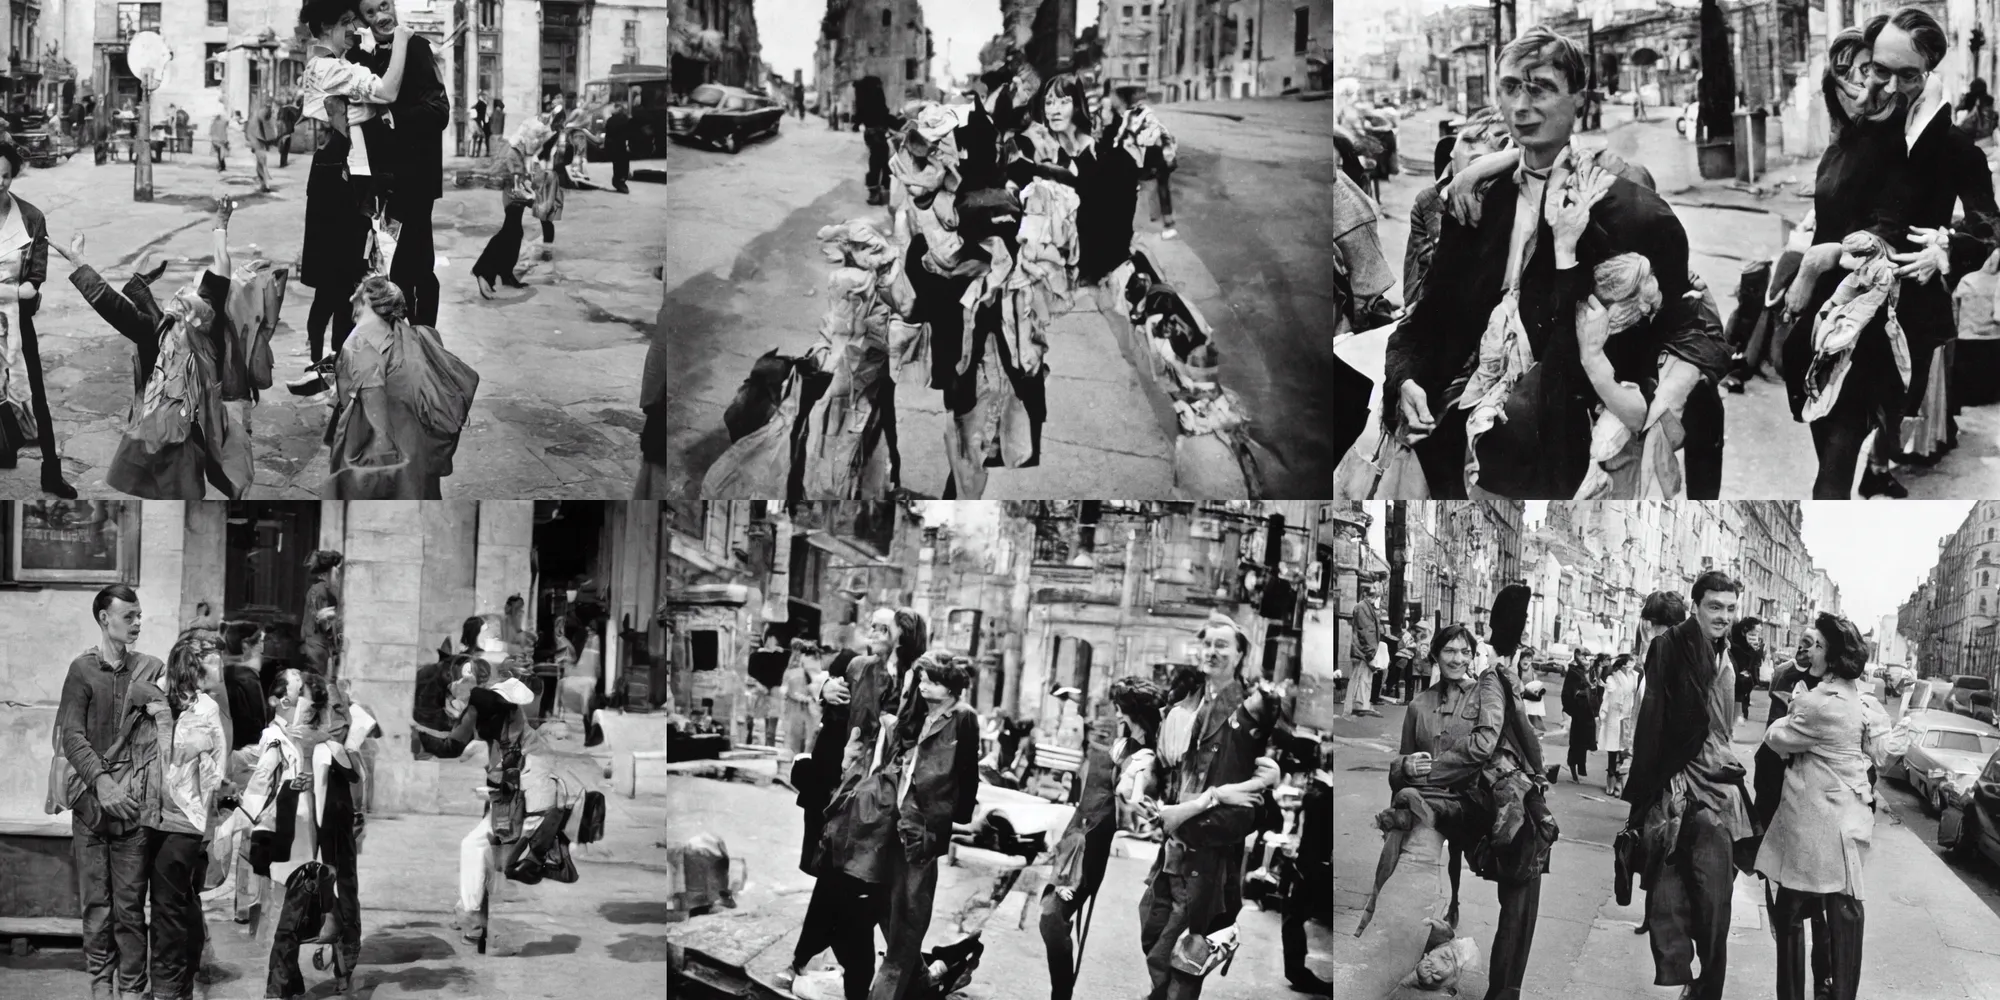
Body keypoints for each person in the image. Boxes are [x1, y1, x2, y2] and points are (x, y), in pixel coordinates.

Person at [1385, 25, 1728, 499]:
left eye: (1540, 87)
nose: (1522, 106)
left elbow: (1686, 339)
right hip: (1459, 432)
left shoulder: (1636, 216)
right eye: (1509, 88)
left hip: (1569, 448)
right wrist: (1405, 380)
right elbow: (1426, 320)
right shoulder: (1476, 206)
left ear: (1579, 101)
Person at [1783, 13, 1999, 498]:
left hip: (1894, 326)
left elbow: (1989, 225)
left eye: (1909, 75)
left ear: (1928, 73)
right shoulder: (1855, 138)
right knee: (1830, 456)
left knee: (1836, 462)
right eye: (1881, 70)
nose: (1890, 85)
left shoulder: (1947, 145)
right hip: (1827, 316)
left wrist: (1947, 248)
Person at [1389, 623, 1553, 1000]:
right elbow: (1399, 769)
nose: (1458, 659)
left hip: (1482, 804)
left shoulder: (1485, 693)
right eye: (1449, 651)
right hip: (1438, 806)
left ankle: (1505, 989)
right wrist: (1407, 767)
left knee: (1526, 864)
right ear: (1435, 654)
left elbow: (1504, 742)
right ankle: (1417, 967)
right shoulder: (1418, 706)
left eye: (1465, 652)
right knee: (1415, 877)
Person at [1138, 613, 1289, 1000]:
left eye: (1222, 645)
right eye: (1207, 645)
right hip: (1172, 849)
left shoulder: (1253, 707)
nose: (1212, 652)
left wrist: (1268, 775)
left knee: (1183, 958)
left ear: (1240, 654)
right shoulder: (1188, 702)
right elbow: (1168, 766)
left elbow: (1275, 761)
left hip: (1210, 856)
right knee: (1153, 933)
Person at [1623, 571, 1757, 1000]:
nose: (1723, 616)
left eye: (1731, 608)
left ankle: (1706, 989)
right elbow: (1652, 720)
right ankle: (1689, 977)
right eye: (1715, 606)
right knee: (1671, 892)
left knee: (1716, 899)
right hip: (1681, 785)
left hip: (1721, 787)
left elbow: (1725, 725)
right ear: (1696, 605)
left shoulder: (1727, 652)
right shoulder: (1668, 646)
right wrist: (1645, 793)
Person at [61, 198, 248, 498]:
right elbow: (113, 308)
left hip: (185, 438)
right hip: (150, 434)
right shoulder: (161, 329)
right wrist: (80, 265)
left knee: (180, 493)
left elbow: (221, 265)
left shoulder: (208, 336)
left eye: (195, 285)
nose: (188, 286)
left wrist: (221, 223)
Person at [1756, 613, 1901, 1000]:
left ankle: (1792, 994)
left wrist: (1792, 707)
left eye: (1818, 645)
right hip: (1849, 820)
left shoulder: (1819, 703)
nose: (1810, 650)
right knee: (1845, 910)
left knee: (1789, 910)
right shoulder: (1861, 698)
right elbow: (1881, 753)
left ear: (1833, 656)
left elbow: (1776, 738)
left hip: (1813, 822)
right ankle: (1839, 993)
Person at [292, 0, 415, 389]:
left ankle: (332, 363)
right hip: (337, 180)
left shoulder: (335, 66)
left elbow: (368, 105)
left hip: (347, 177)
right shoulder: (327, 67)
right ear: (327, 26)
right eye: (347, 22)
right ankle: (321, 363)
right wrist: (403, 41)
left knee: (345, 279)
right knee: (335, 280)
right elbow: (389, 89)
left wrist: (370, 109)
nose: (354, 29)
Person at [57, 584, 164, 1000]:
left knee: (131, 908)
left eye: (139, 616)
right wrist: (103, 784)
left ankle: (133, 990)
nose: (137, 623)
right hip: (90, 805)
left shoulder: (151, 669)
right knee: (96, 906)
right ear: (105, 618)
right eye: (129, 616)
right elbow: (72, 736)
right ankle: (102, 986)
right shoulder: (82, 671)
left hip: (133, 807)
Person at [240, 668, 369, 996]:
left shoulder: (328, 695)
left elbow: (348, 753)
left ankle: (338, 968)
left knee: (338, 892)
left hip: (332, 812)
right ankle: (294, 980)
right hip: (301, 824)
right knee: (299, 905)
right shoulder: (288, 715)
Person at [1041, 676, 1163, 1000]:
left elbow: (1134, 800)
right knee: (1050, 919)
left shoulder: (1146, 757)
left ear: (1134, 713)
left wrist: (1138, 793)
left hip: (1091, 847)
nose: (1117, 716)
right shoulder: (1121, 745)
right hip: (1074, 837)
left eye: (1121, 710)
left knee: (1052, 918)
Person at [867, 653, 981, 1000]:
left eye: (930, 680)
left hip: (925, 826)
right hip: (895, 819)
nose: (922, 684)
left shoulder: (963, 718)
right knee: (882, 904)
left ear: (950, 686)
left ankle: (893, 987)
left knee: (909, 914)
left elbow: (966, 775)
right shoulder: (919, 713)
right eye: (921, 678)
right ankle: (922, 977)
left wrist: (948, 822)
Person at [323, 275, 479, 498]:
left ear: (367, 300)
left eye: (357, 295)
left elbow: (372, 407)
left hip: (384, 452)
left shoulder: (359, 342)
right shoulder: (409, 334)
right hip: (416, 443)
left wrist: (379, 456)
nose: (350, 299)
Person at [140, 630, 228, 1000]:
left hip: (182, 821)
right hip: (142, 815)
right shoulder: (150, 696)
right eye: (212, 658)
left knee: (169, 908)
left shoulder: (207, 710)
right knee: (150, 907)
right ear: (192, 663)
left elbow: (214, 776)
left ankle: (171, 989)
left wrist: (203, 747)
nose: (220, 664)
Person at [356, 0, 451, 326]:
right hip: (381, 184)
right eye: (371, 13)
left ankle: (424, 341)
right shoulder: (364, 57)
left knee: (418, 268)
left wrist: (394, 118)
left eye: (384, 5)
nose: (381, 16)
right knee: (389, 270)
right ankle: (398, 343)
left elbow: (440, 111)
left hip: (415, 182)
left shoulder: (417, 47)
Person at [1108, 84, 1178, 239]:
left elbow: (1122, 137)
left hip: (1151, 156)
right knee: (1160, 189)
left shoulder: (1132, 114)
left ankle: (1159, 223)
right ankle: (1164, 222)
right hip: (1156, 155)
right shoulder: (1141, 112)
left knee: (1150, 188)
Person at [1599, 653, 1639, 796]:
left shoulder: (1635, 676)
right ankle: (1611, 774)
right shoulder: (1612, 678)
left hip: (1628, 716)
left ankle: (1619, 781)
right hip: (1614, 716)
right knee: (1613, 748)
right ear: (1622, 666)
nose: (1630, 666)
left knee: (1625, 750)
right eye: (1628, 664)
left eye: (1632, 663)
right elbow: (1607, 696)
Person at [300, 549, 343, 676]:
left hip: (315, 644)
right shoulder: (319, 590)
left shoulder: (318, 590)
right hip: (317, 645)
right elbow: (322, 621)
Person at [856, 77, 894, 206]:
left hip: (871, 133)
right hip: (877, 133)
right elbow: (884, 114)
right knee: (880, 162)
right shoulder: (876, 98)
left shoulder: (863, 99)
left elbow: (858, 118)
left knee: (878, 162)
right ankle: (879, 192)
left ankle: (877, 192)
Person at [1345, 583, 1381, 717]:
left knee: (1362, 678)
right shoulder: (1363, 608)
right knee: (1362, 678)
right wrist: (1371, 652)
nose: (1375, 598)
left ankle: (1360, 704)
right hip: (1362, 650)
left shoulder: (1364, 607)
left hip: (1362, 649)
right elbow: (1367, 631)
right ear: (1365, 594)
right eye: (1373, 595)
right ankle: (1359, 704)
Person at [1563, 651, 1599, 781]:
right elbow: (1567, 691)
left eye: (1588, 659)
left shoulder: (1592, 672)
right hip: (1578, 710)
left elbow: (1596, 691)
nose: (1586, 661)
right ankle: (1573, 766)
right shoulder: (1574, 672)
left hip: (1588, 710)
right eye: (1583, 658)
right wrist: (1570, 708)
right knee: (1576, 740)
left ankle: (1581, 765)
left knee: (1585, 740)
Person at [1729, 617, 1765, 723]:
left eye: (1757, 634)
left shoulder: (1748, 646)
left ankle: (1742, 713)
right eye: (1753, 634)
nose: (1755, 637)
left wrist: (1756, 651)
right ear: (1744, 632)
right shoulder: (1735, 645)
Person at [248, 99, 280, 193]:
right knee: (261, 163)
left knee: (262, 163)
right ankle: (264, 184)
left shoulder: (260, 115)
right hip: (259, 140)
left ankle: (265, 185)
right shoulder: (265, 115)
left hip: (258, 140)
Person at [604, 99, 632, 194]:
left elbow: (608, 134)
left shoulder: (611, 120)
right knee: (623, 163)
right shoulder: (626, 119)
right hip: (622, 145)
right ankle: (620, 180)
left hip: (615, 145)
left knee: (617, 164)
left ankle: (618, 180)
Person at [471, 91, 489, 157]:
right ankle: (476, 153)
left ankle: (474, 153)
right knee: (479, 137)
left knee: (476, 138)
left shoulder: (478, 104)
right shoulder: (482, 104)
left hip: (476, 122)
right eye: (484, 96)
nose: (485, 97)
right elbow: (483, 116)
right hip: (479, 123)